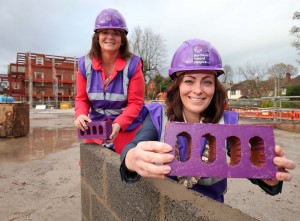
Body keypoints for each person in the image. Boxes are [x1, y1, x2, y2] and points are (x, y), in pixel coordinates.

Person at [119, 38, 296, 203]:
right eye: (189, 81)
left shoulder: (226, 123)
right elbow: (134, 146)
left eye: (207, 82)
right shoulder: (159, 115)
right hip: (163, 208)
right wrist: (131, 159)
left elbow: (248, 162)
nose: (198, 90)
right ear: (178, 85)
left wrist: (269, 177)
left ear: (215, 87)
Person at [74, 8, 145, 154]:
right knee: (93, 169)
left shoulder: (133, 64)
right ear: (97, 37)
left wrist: (119, 123)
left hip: (126, 128)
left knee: (126, 167)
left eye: (116, 33)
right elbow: (81, 99)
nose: (110, 37)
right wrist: (80, 114)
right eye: (105, 32)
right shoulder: (84, 64)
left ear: (122, 39)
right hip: (96, 128)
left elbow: (136, 103)